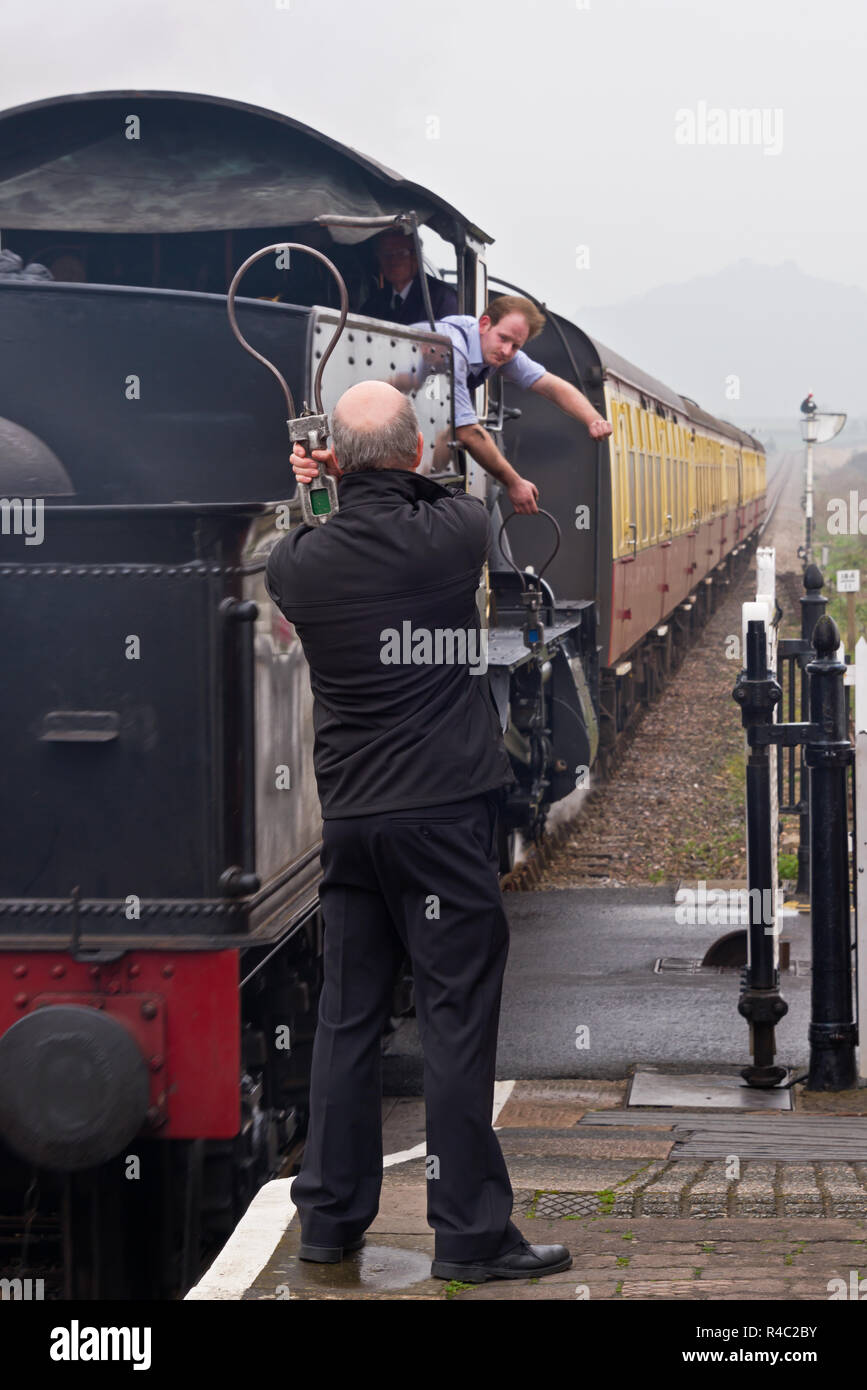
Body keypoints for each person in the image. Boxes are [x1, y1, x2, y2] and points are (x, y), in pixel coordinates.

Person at [265, 380, 571, 1284]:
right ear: (413, 451)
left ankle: (328, 1219)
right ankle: (471, 1236)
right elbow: (449, 492)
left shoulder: (298, 565)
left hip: (352, 823)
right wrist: (370, 473)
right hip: (441, 820)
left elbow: (321, 532)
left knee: (346, 1021)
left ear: (340, 464)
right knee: (453, 1023)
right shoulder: (455, 533)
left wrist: (324, 490)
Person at [409, 295, 614, 515]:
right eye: (503, 338)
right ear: (484, 323)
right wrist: (514, 483)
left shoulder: (493, 346)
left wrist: (593, 419)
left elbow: (550, 386)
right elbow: (467, 431)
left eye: (516, 346)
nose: (507, 351)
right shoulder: (453, 349)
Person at [359, 228, 458, 325]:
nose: (393, 261)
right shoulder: (374, 303)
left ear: (416, 256)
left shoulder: (442, 298)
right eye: (387, 254)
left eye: (401, 253)